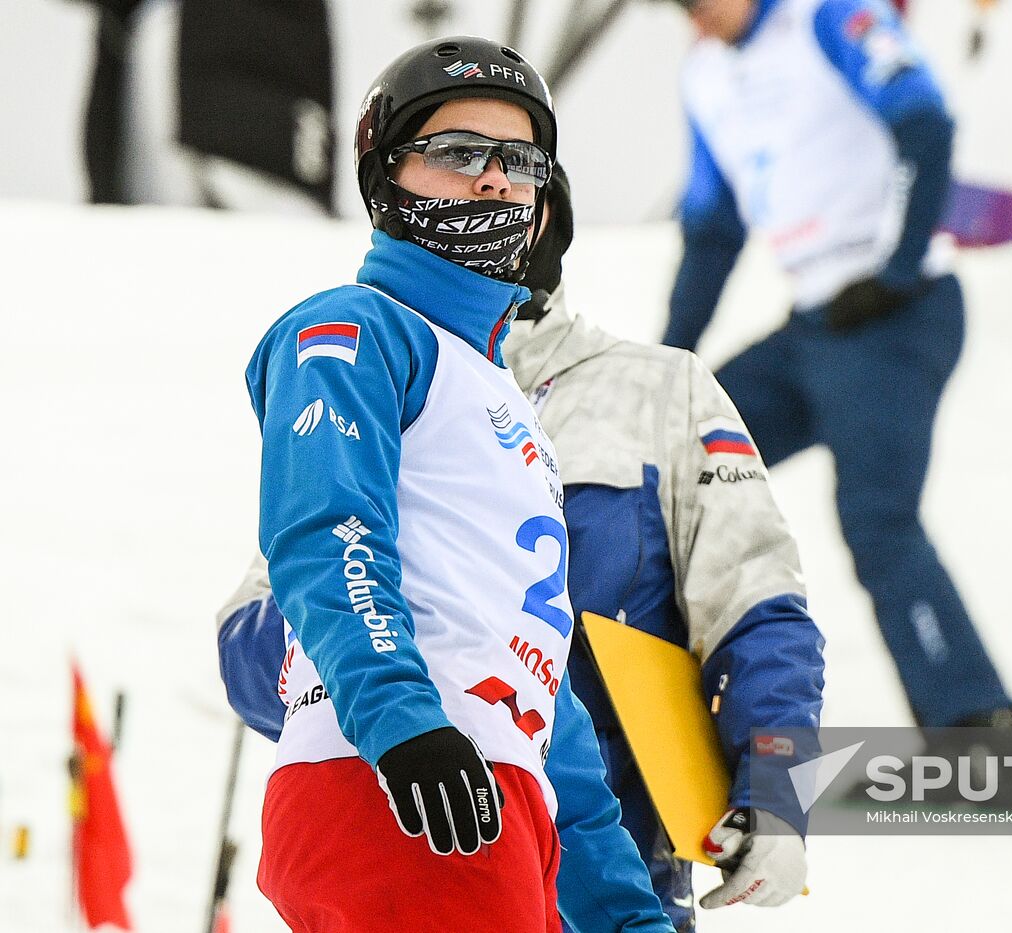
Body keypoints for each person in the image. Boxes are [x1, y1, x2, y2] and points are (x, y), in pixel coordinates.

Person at [221, 163, 825, 932]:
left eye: (518, 197)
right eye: (464, 182)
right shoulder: (381, 361)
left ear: (552, 222)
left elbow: (760, 605)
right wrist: (411, 689)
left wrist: (778, 788)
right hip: (423, 837)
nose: (494, 211)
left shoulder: (660, 389)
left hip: (617, 868)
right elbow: (269, 612)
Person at [238, 35, 670, 933]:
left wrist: (627, 916)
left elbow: (539, 694)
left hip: (501, 803)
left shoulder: (504, 405)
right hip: (398, 784)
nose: (494, 180)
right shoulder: (356, 327)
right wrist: (401, 723)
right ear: (385, 173)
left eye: (520, 161)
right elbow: (326, 528)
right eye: (458, 152)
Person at [663, 0, 1012, 735]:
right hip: (818, 325)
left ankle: (977, 728)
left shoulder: (827, 17)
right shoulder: (705, 74)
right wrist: (667, 363)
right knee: (672, 448)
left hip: (897, 315)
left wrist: (897, 266)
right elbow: (712, 231)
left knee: (877, 520)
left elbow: (925, 120)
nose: (693, 20)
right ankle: (659, 687)